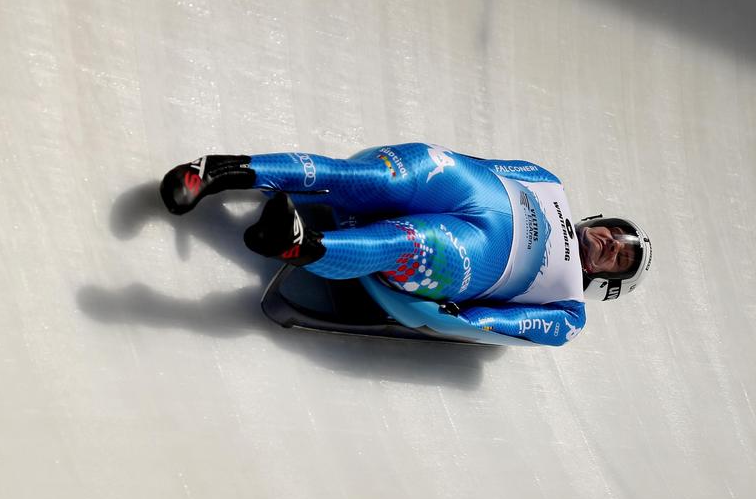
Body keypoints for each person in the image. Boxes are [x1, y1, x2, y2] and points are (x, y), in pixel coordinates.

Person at [159, 144, 652, 346]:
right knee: (370, 176)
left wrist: (459, 317)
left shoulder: (569, 313)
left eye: (620, 259)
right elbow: (477, 163)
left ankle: (303, 244)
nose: (612, 244)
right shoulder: (548, 182)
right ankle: (218, 172)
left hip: (475, 254)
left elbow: (518, 325)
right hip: (457, 185)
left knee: (413, 243)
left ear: (607, 283)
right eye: (617, 233)